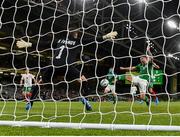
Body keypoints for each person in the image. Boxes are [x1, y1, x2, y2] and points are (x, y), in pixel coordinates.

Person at [16, 30, 118, 111]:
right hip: (67, 67)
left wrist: (28, 44)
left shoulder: (59, 40)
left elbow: (44, 44)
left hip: (54, 66)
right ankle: (84, 98)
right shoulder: (77, 41)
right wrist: (105, 36)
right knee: (84, 80)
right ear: (76, 35)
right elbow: (91, 40)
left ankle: (30, 103)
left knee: (39, 83)